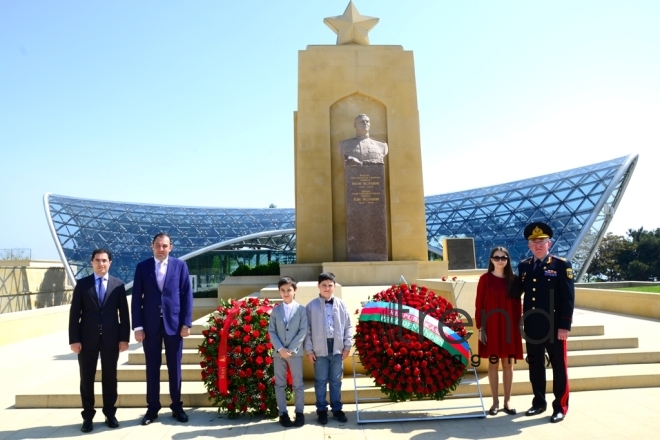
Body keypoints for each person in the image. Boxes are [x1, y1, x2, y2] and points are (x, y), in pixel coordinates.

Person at [131, 232, 193, 425]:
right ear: (152, 246)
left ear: (170, 247)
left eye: (164, 246)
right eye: (157, 245)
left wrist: (186, 323)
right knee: (152, 368)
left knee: (175, 368)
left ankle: (176, 406)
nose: (161, 249)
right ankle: (152, 408)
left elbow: (187, 296)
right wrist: (138, 327)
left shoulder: (180, 266)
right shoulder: (142, 267)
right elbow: (136, 299)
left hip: (174, 326)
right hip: (150, 327)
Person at [519, 222, 575, 423]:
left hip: (554, 328)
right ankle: (538, 402)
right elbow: (515, 292)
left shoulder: (561, 265)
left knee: (559, 367)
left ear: (549, 243)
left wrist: (564, 326)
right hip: (533, 327)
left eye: (541, 241)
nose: (538, 245)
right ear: (529, 245)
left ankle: (560, 406)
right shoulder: (524, 266)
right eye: (534, 242)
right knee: (535, 367)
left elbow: (568, 298)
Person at [68, 248, 130, 433]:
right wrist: (74, 339)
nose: (101, 263)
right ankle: (88, 417)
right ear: (92, 262)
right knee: (86, 379)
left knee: (110, 378)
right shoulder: (82, 284)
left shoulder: (118, 285)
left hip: (111, 339)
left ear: (110, 262)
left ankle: (110, 414)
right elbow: (74, 315)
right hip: (86, 340)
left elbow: (124, 316)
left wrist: (124, 339)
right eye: (97, 260)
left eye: (104, 260)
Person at [475, 246, 523, 416]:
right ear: (491, 259)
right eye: (497, 257)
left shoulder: (515, 281)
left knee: (508, 364)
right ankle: (495, 402)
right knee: (493, 363)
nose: (500, 260)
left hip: (510, 328)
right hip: (492, 327)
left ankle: (507, 401)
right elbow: (479, 305)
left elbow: (518, 307)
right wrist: (481, 328)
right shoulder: (484, 280)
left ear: (508, 260)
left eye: (504, 257)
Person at [304, 272, 353, 425]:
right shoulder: (311, 306)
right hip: (319, 348)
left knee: (336, 380)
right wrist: (309, 350)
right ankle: (321, 410)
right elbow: (307, 330)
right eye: (324, 285)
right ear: (318, 286)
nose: (327, 288)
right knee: (320, 380)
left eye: (330, 285)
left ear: (334, 286)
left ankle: (337, 409)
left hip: (337, 347)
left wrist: (347, 345)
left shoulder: (341, 304)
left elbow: (348, 326)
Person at [268, 276, 308, 428]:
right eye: (283, 290)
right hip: (279, 354)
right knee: (280, 384)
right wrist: (280, 349)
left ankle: (299, 412)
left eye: (289, 290)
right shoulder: (275, 310)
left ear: (294, 291)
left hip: (295, 353)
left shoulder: (301, 310)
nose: (286, 293)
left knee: (298, 384)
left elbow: (303, 331)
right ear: (279, 292)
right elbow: (272, 331)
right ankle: (283, 413)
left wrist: (290, 349)